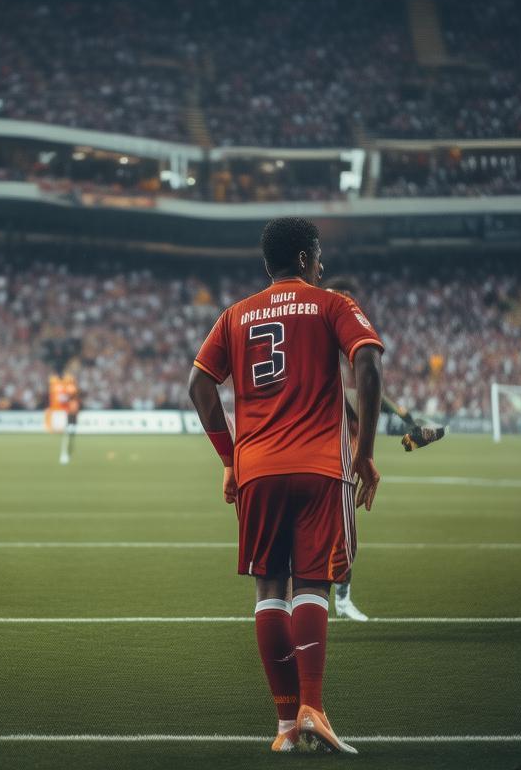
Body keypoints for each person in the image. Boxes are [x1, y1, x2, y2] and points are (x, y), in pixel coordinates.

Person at [188, 217, 383, 754]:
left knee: (270, 588)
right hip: (319, 467)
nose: (321, 264)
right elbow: (367, 363)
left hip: (257, 470)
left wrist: (229, 458)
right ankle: (312, 708)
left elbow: (199, 385)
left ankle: (283, 727)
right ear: (303, 258)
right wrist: (365, 452)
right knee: (313, 584)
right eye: (317, 255)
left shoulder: (235, 315)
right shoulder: (332, 304)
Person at [324, 276, 446, 622]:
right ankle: (321, 603)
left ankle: (340, 601)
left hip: (340, 456)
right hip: (324, 455)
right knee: (321, 536)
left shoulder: (342, 352)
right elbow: (358, 393)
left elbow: (363, 391)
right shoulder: (326, 349)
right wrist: (406, 421)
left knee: (340, 536)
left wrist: (406, 424)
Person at [49, 372, 81, 464]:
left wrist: (66, 397)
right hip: (60, 412)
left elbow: (72, 396)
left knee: (66, 434)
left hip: (66, 412)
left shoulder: (69, 386)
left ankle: (65, 454)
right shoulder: (58, 384)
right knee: (63, 434)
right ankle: (64, 453)